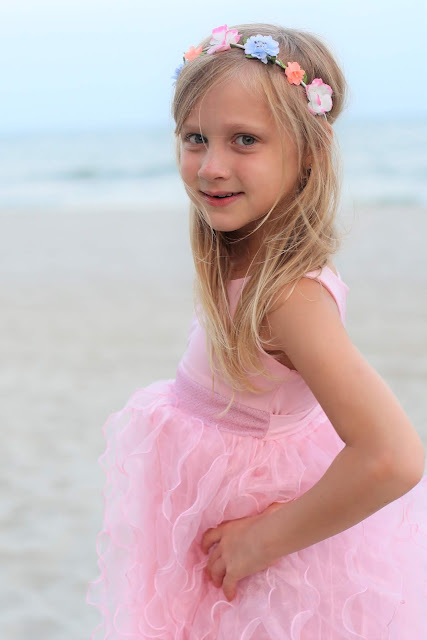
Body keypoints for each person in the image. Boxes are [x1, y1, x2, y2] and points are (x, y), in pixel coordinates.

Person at [87, 22, 427, 639]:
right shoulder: (243, 257)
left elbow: (393, 456)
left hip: (268, 577)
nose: (211, 166)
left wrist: (260, 542)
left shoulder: (289, 299)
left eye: (245, 140)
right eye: (195, 138)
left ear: (309, 153)